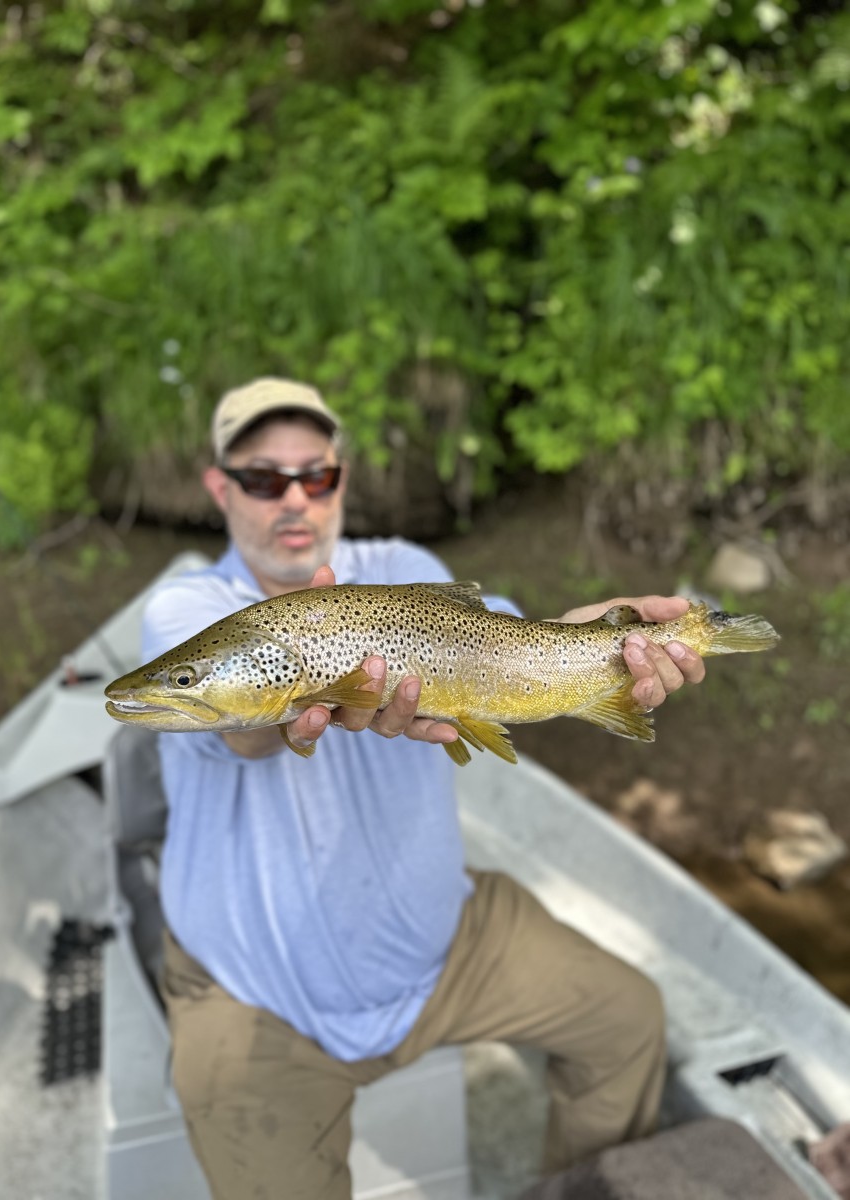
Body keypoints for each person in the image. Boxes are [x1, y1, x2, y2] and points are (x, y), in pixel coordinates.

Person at [140, 377, 707, 1200]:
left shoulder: (402, 568)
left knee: (629, 1022)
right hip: (254, 995)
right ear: (220, 487)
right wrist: (271, 713)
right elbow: (240, 724)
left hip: (447, 953)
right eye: (263, 478)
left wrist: (597, 644)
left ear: (340, 477)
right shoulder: (187, 608)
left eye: (317, 475)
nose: (293, 498)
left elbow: (509, 643)